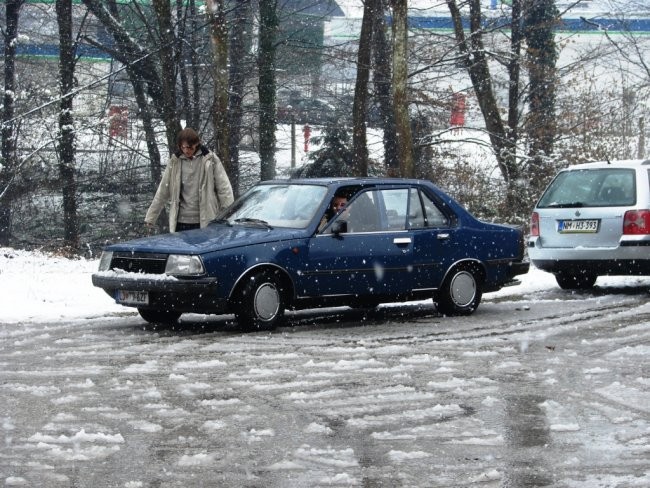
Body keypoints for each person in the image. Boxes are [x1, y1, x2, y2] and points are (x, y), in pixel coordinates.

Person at [145, 128, 234, 232]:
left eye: (190, 147)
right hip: (180, 221)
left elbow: (224, 188)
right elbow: (163, 190)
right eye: (183, 147)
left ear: (197, 144)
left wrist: (230, 214)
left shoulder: (210, 159)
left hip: (205, 219)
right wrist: (151, 216)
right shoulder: (175, 162)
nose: (186, 150)